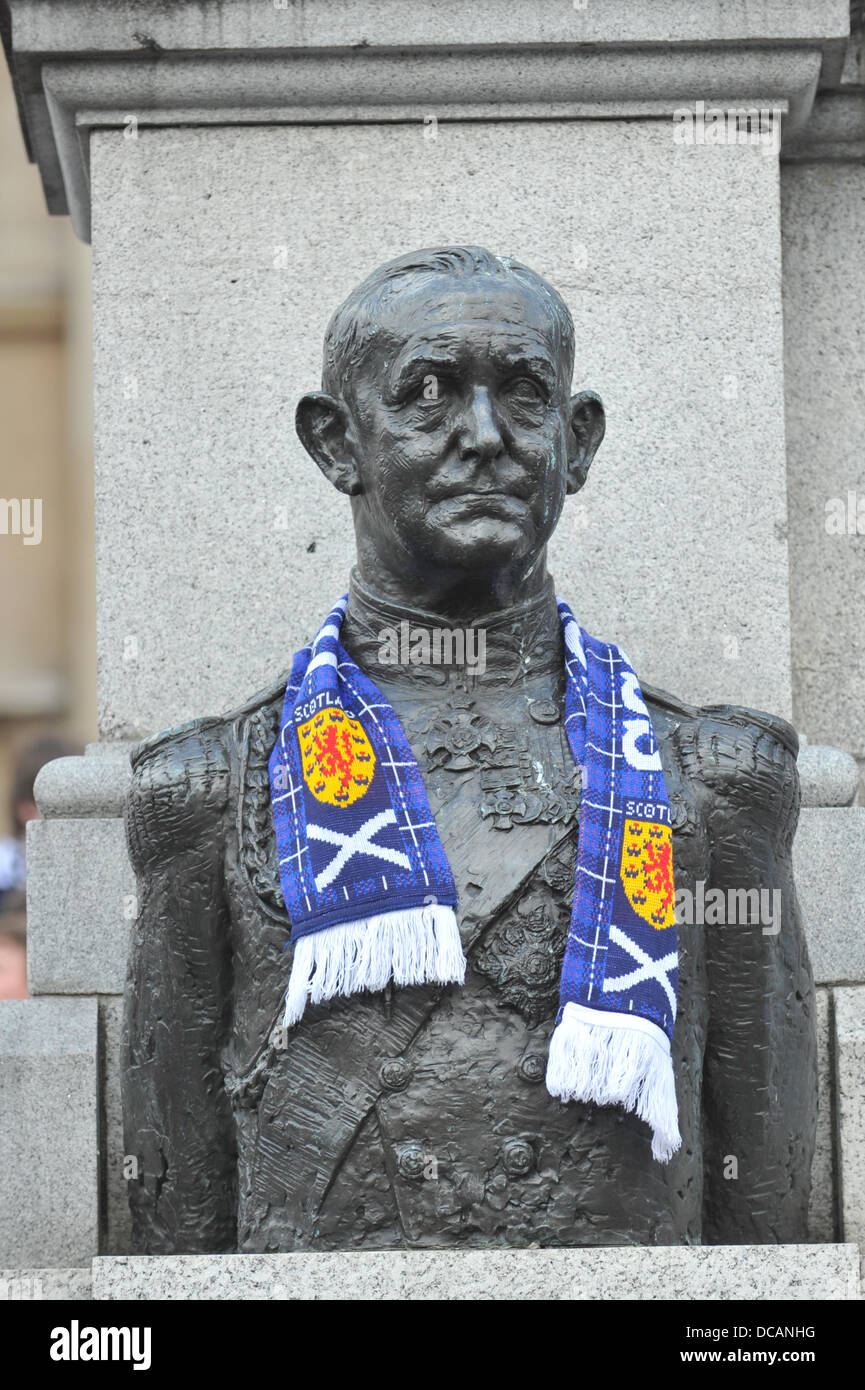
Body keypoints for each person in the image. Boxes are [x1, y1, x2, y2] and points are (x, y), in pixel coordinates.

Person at [124, 247, 815, 1254]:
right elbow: (173, 1229)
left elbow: (768, 1229)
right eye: (430, 394)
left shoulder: (714, 781)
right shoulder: (202, 792)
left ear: (576, 444)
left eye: (523, 395)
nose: (484, 437)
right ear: (335, 441)